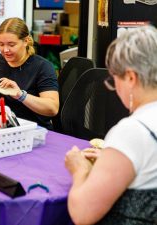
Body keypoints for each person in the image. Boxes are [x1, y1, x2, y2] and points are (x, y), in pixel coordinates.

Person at [64, 26, 157, 225]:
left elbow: (82, 214)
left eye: (115, 79)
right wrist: (115, 159)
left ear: (131, 78)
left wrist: (78, 169)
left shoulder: (132, 130)